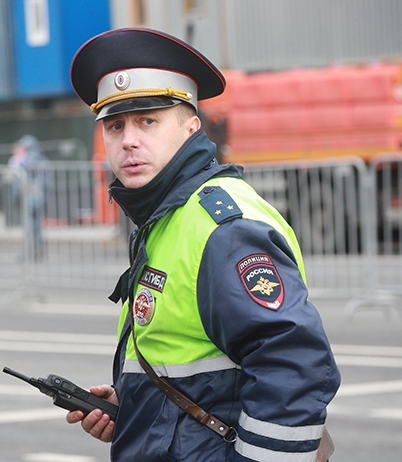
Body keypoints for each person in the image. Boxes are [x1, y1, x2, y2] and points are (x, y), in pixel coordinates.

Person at [64, 28, 340, 461]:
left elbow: (294, 368)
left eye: (148, 121)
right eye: (114, 126)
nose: (129, 140)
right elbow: (194, 361)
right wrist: (134, 404)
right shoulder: (167, 213)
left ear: (191, 126)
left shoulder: (222, 226)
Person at [8, 134, 49, 260]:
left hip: (30, 197)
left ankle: (29, 254)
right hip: (39, 197)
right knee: (37, 226)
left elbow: (20, 176)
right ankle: (38, 253)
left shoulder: (28, 159)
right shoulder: (43, 159)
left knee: (29, 226)